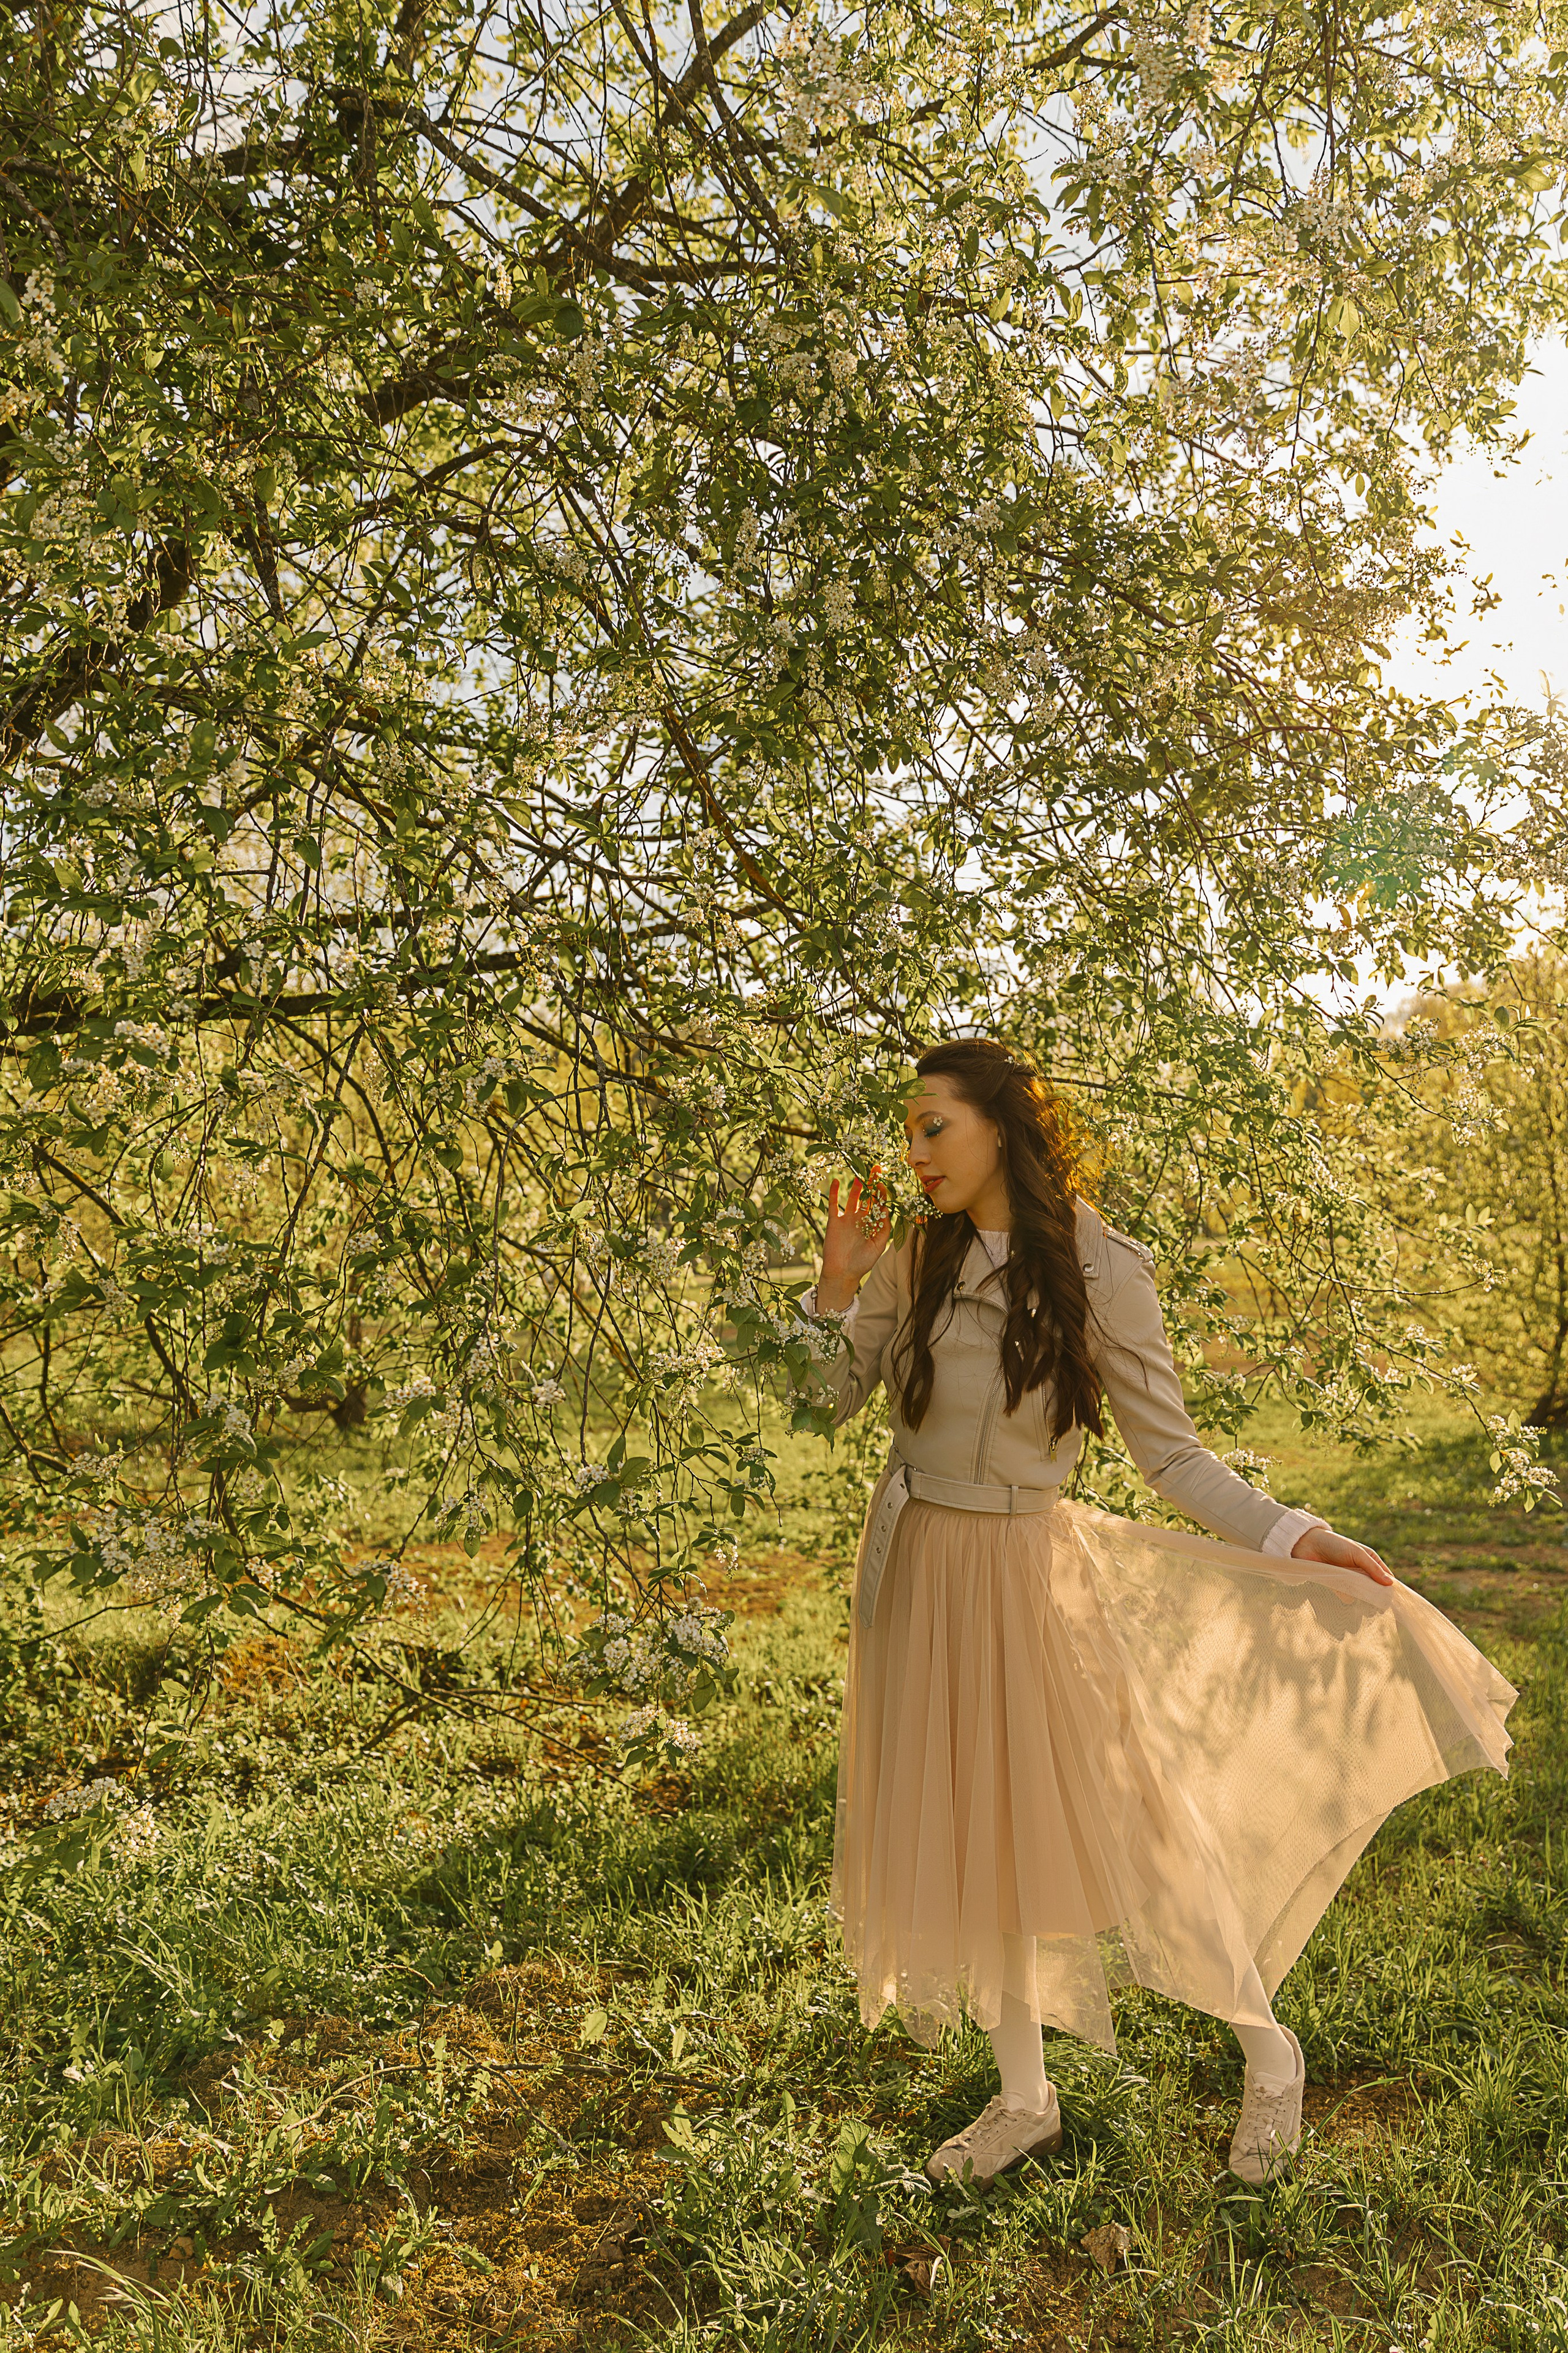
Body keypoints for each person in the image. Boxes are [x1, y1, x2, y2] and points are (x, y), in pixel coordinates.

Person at [802, 1038, 1516, 2190]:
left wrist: (1294, 1535)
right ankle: (1024, 2096)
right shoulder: (914, 1258)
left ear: (1003, 1125)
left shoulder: (1102, 1269)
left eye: (936, 1124)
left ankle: (1268, 2052)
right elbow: (824, 1399)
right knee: (977, 1837)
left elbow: (1170, 1455)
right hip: (919, 1568)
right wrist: (838, 1287)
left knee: (1131, 1827)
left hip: (1028, 1574)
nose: (916, 1150)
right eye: (911, 1127)